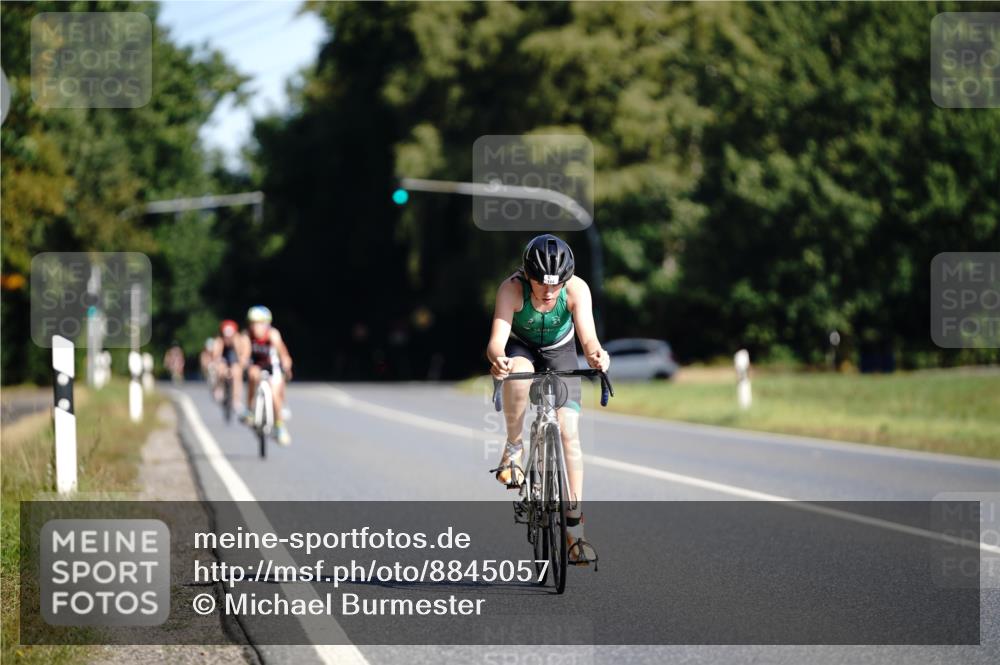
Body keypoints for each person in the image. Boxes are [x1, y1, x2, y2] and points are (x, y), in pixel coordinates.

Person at [485, 234, 610, 567]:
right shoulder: (510, 289)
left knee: (569, 433)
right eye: (542, 284)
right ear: (528, 276)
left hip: (561, 351)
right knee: (519, 369)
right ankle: (513, 447)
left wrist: (599, 357)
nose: (550, 292)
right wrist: (500, 359)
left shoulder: (576, 290)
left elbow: (589, 340)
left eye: (557, 285)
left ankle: (575, 531)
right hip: (522, 347)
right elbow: (496, 342)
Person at [240, 306, 294, 446]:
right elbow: (245, 353)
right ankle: (249, 409)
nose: (255, 327)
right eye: (253, 323)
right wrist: (243, 362)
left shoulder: (273, 334)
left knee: (275, 394)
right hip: (256, 364)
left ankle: (279, 426)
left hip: (272, 365)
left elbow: (282, 352)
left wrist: (286, 363)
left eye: (259, 323)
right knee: (252, 375)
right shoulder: (247, 335)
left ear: (266, 323)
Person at [211, 319, 247, 412]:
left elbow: (241, 355)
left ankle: (236, 400)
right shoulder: (219, 341)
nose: (228, 338)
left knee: (237, 373)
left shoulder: (237, 339)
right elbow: (216, 356)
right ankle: (219, 388)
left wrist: (240, 363)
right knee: (220, 369)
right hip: (223, 359)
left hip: (234, 360)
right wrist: (220, 365)